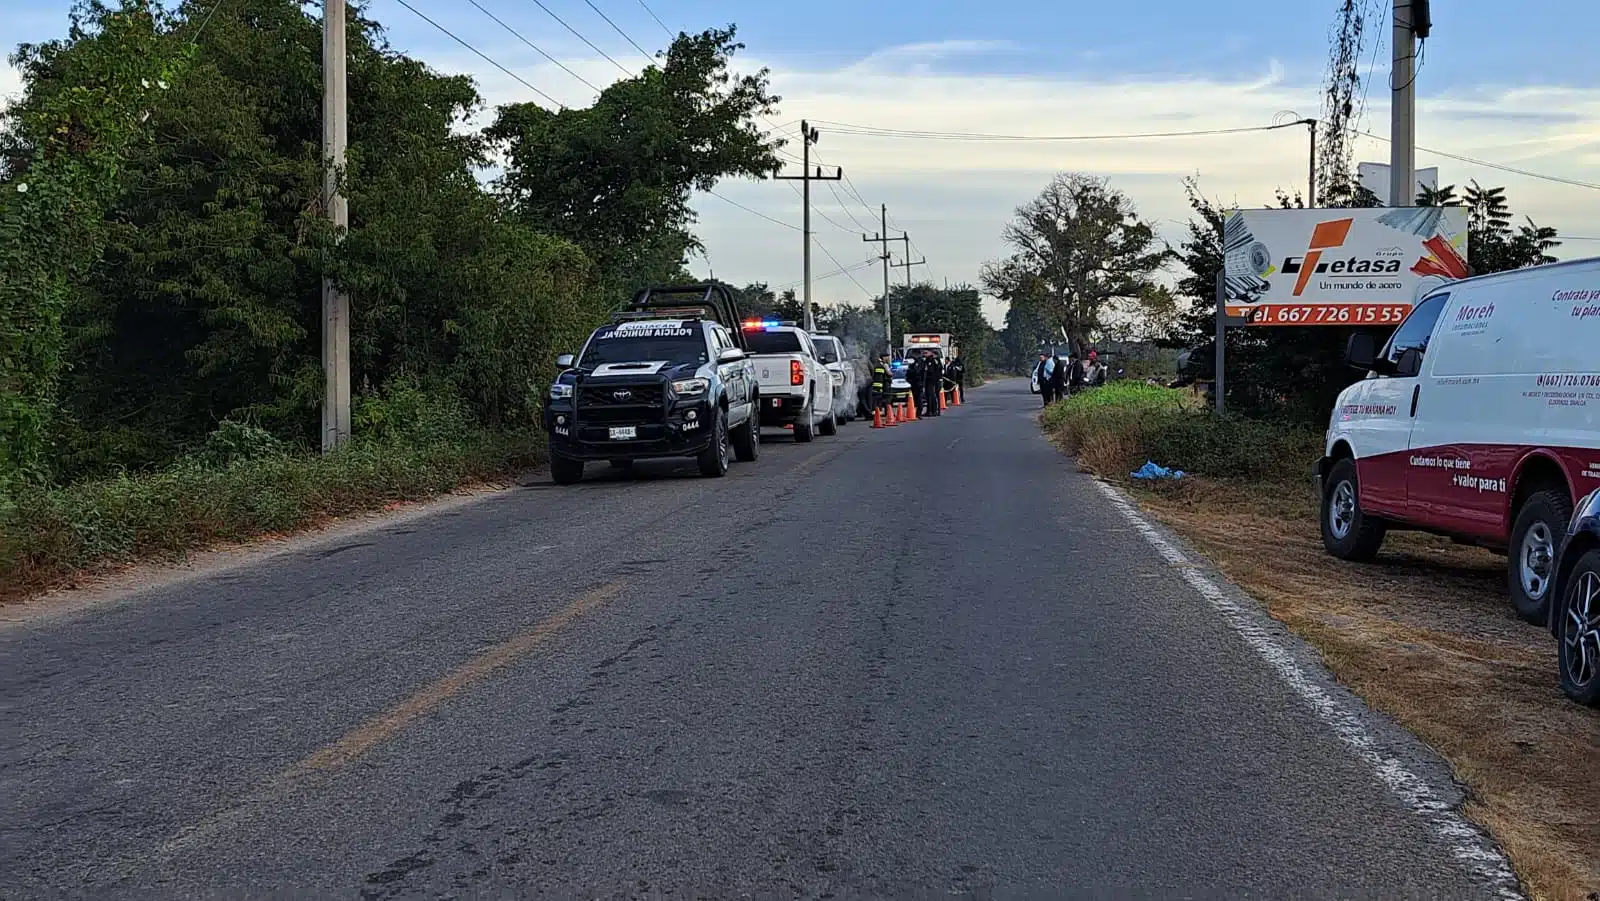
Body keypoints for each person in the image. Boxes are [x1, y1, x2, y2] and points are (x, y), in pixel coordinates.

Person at [917, 349, 944, 416]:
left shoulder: (933, 360)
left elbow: (934, 371)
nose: (924, 354)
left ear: (931, 353)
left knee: (932, 396)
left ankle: (933, 411)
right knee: (929, 396)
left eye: (926, 353)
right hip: (928, 381)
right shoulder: (927, 360)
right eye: (923, 353)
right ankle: (930, 410)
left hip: (933, 381)